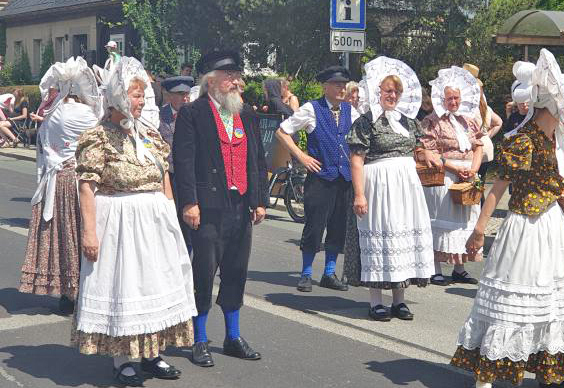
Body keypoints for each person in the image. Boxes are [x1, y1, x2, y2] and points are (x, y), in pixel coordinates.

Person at [451, 50, 564, 388]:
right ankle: (483, 379)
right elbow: (497, 187)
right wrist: (479, 231)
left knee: (553, 296)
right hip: (525, 227)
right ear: (553, 105)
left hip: (551, 224)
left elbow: (551, 177)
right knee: (511, 300)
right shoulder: (522, 139)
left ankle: (551, 372)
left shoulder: (552, 138)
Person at [74, 56, 196, 386]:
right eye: (134, 95)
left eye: (143, 95)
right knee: (124, 286)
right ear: (116, 98)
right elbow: (87, 186)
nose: (140, 102)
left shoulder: (151, 135)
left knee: (154, 283)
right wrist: (90, 232)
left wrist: (171, 215)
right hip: (118, 221)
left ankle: (153, 353)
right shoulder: (97, 137)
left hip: (154, 220)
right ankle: (123, 359)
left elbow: (163, 177)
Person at [174, 48, 268, 367]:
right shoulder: (193, 113)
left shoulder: (247, 114)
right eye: (229, 77)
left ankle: (233, 336)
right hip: (207, 206)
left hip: (239, 204)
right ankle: (199, 339)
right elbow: (184, 162)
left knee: (236, 271)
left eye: (237, 76)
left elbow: (257, 160)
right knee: (203, 272)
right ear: (211, 81)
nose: (236, 82)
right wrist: (189, 202)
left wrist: (258, 200)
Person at [343, 56, 441, 322]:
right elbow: (356, 159)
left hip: (406, 188)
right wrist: (360, 193)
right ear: (377, 91)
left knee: (402, 238)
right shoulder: (366, 122)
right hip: (378, 187)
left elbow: (416, 147)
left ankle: (399, 301)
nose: (393, 95)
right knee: (381, 237)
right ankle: (376, 301)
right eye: (388, 90)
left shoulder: (408, 122)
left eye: (397, 91)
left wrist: (425, 154)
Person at [19, 58, 101, 314]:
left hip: (58, 178)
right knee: (84, 234)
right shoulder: (84, 113)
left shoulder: (54, 111)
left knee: (65, 235)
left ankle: (67, 291)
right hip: (81, 178)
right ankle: (86, 290)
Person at [277, 66, 355, 292]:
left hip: (343, 179)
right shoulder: (312, 108)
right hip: (320, 178)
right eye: (337, 85)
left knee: (338, 226)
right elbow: (282, 132)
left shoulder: (351, 111)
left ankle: (329, 273)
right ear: (325, 86)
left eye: (344, 85)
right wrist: (302, 156)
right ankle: (306, 273)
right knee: (314, 225)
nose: (342, 89)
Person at [419, 66, 483, 286]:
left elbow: (478, 147)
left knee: (464, 221)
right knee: (442, 220)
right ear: (441, 99)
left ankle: (459, 267)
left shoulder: (469, 120)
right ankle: (435, 267)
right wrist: (456, 169)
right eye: (449, 98)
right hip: (444, 174)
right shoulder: (432, 121)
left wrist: (473, 170)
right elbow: (431, 151)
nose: (453, 102)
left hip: (468, 175)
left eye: (456, 97)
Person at [159, 75, 195, 248]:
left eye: (187, 94)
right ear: (170, 95)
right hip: (169, 177)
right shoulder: (159, 117)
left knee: (190, 225)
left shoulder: (196, 115)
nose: (185, 98)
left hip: (191, 176)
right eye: (180, 94)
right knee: (171, 220)